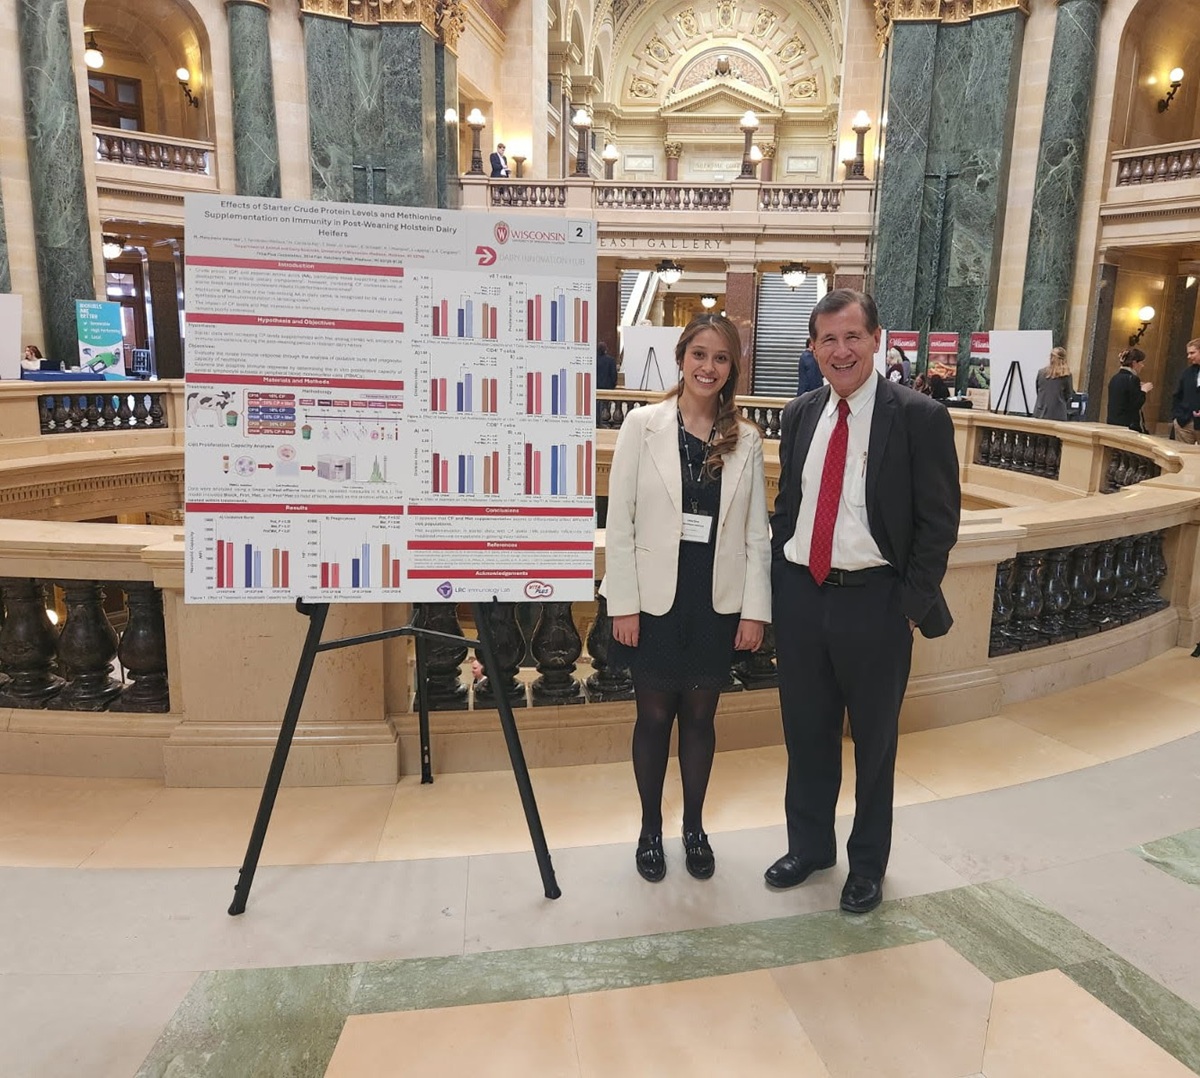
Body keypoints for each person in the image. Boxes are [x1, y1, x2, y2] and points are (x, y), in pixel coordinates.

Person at [766, 289, 960, 914]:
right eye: (827, 339)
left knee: (874, 743)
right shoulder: (799, 415)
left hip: (875, 603)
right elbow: (789, 509)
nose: (840, 350)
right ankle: (811, 846)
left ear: (876, 339)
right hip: (802, 597)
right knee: (805, 733)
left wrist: (907, 604)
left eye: (852, 337)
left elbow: (938, 524)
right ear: (813, 348)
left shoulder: (920, 417)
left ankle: (867, 864)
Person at [601, 313, 771, 883]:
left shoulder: (746, 438)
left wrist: (754, 610)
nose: (708, 367)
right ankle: (650, 829)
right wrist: (621, 602)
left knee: (701, 717)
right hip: (652, 601)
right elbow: (618, 522)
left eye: (721, 358)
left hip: (713, 600)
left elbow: (755, 533)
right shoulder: (642, 425)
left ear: (732, 369)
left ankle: (693, 827)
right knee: (652, 718)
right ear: (682, 358)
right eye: (700, 354)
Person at [1106, 347, 1152, 432]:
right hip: (1127, 425)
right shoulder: (1133, 379)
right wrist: (1144, 390)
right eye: (1141, 362)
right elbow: (1136, 404)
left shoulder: (1115, 378)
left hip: (1112, 423)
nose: (1143, 365)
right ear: (1134, 363)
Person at [1170, 337, 1200, 445]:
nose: (1189, 356)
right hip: (1184, 422)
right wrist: (1176, 417)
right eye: (1188, 353)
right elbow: (1177, 394)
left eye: (1192, 353)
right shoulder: (1187, 373)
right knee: (1182, 457)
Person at [1033, 346, 1074, 421]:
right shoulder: (1066, 375)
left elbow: (1038, 390)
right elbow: (1068, 394)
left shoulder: (1041, 373)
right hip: (1058, 414)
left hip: (1040, 412)